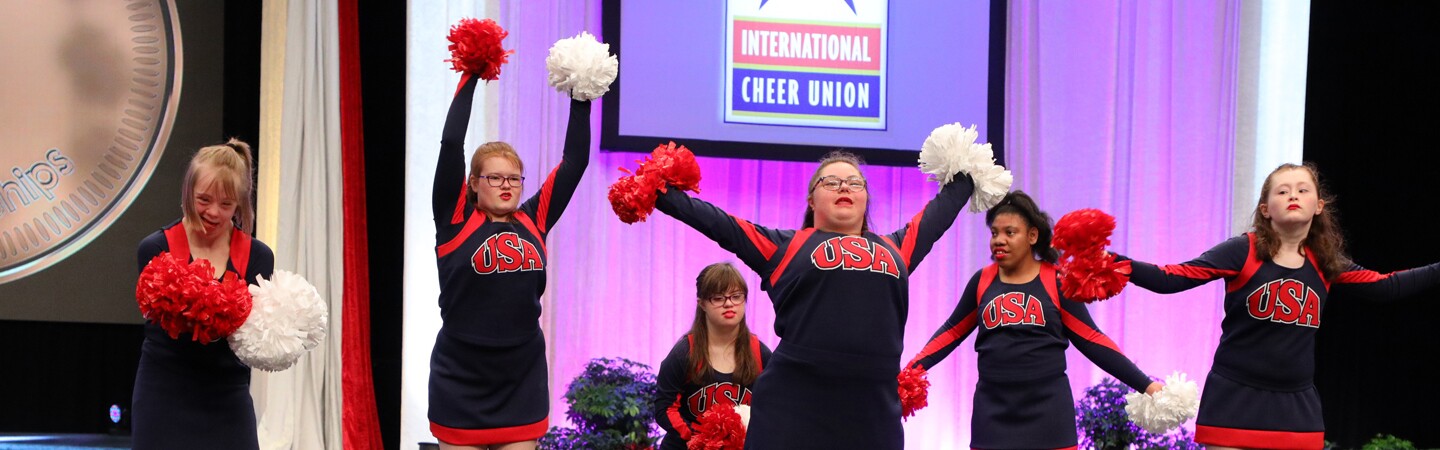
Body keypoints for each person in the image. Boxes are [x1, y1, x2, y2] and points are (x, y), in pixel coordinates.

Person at [650, 150, 975, 450]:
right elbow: (718, 223)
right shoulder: (784, 247)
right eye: (830, 182)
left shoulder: (897, 248)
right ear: (811, 200)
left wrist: (968, 173)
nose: (843, 187)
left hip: (873, 419)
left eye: (854, 182)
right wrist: (654, 190)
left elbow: (940, 213)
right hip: (792, 416)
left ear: (865, 198)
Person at [1117, 163, 1440, 449]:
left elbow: (1387, 286)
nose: (1293, 195)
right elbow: (1172, 278)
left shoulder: (1325, 262)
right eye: (1282, 191)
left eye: (1302, 189)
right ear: (1266, 209)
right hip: (1234, 397)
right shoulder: (1242, 250)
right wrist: (1117, 264)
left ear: (1318, 206)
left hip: (1296, 406)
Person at [905, 191, 1162, 449]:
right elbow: (951, 332)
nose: (999, 240)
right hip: (992, 418)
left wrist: (1147, 386)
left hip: (1049, 418)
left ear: (1032, 236)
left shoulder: (1057, 279)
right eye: (994, 233)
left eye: (1009, 232)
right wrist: (910, 372)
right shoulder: (982, 281)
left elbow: (1091, 338)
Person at [426, 71, 592, 449]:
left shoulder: (534, 218)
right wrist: (471, 73)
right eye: (495, 178)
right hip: (461, 378)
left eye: (514, 179)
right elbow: (452, 143)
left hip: (521, 377)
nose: (506, 185)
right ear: (473, 183)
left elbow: (575, 162)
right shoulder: (454, 222)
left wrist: (582, 91)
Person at [131, 139, 274, 450]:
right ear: (187, 193)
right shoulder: (155, 249)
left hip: (227, 396)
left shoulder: (259, 257)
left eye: (226, 204)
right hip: (164, 392)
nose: (213, 212)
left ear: (240, 203)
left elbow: (254, 335)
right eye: (204, 199)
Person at [654, 262, 774, 450]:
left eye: (736, 296)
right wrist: (700, 439)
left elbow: (774, 408)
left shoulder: (760, 353)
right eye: (718, 298)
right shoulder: (684, 353)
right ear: (701, 303)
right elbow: (664, 408)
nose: (728, 303)